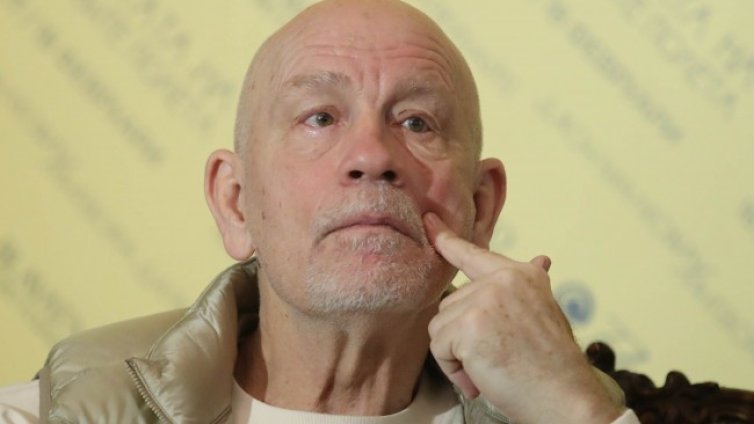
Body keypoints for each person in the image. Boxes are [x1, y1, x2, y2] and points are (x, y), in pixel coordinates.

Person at [0, 1, 641, 422]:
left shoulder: (575, 413)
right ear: (235, 202)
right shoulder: (56, 412)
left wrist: (575, 410)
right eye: (320, 118)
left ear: (480, 206)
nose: (372, 156)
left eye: (417, 121)